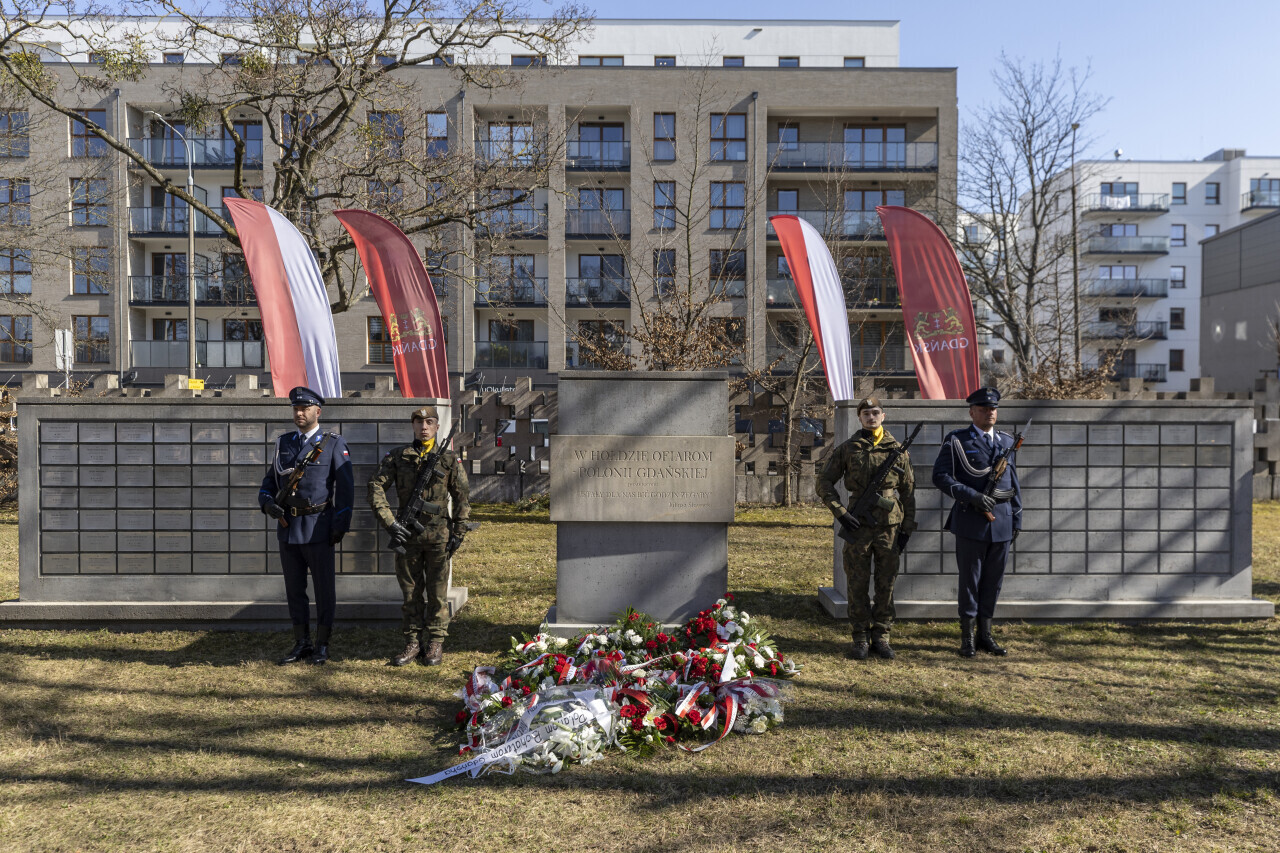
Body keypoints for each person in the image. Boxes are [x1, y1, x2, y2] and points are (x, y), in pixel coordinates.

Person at [368, 406, 471, 667]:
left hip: (439, 535)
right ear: (412, 425)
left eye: (429, 422)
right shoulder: (398, 456)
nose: (424, 427)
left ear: (437, 426)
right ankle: (413, 642)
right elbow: (376, 486)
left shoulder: (448, 458)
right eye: (419, 422)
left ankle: (435, 641)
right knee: (410, 592)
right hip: (407, 535)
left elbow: (462, 496)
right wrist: (390, 522)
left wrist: (459, 530)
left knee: (437, 592)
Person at [259, 386, 354, 665]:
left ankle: (322, 644)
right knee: (294, 589)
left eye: (305, 408)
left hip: (318, 528)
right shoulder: (284, 443)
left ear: (317, 411)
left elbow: (345, 489)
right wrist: (267, 503)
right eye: (296, 409)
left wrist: (340, 523)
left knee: (324, 590)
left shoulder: (333, 443)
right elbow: (269, 482)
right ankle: (302, 643)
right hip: (288, 527)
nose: (299, 413)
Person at [816, 396, 916, 661]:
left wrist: (907, 528)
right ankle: (860, 637)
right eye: (866, 413)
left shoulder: (898, 450)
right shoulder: (848, 449)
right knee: (857, 583)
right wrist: (840, 512)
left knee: (886, 583)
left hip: (889, 528)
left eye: (875, 412)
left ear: (883, 416)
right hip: (857, 525)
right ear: (859, 417)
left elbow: (908, 492)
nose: (871, 417)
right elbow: (823, 482)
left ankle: (881, 636)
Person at [932, 386, 1022, 658]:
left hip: (1002, 522)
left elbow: (1013, 483)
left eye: (993, 409)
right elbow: (941, 476)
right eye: (984, 409)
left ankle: (986, 635)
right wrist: (972, 496)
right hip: (971, 521)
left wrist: (1017, 518)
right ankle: (967, 638)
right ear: (972, 412)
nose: (989, 413)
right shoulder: (957, 440)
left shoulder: (1006, 441)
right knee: (970, 581)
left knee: (993, 581)